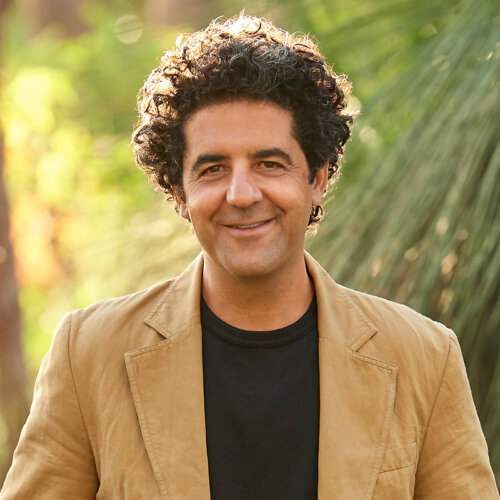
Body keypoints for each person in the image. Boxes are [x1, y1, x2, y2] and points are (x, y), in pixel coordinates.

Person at [1, 14, 497, 500]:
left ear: (318, 178)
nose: (241, 193)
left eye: (269, 163)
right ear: (178, 190)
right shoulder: (89, 352)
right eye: (213, 168)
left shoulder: (423, 358)